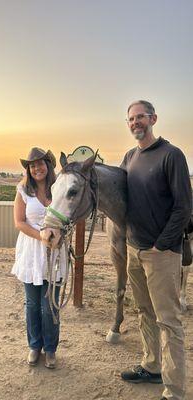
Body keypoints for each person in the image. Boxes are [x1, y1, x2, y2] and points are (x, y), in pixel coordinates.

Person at [120, 100, 192, 400]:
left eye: (141, 117)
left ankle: (174, 390)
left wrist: (161, 244)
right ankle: (151, 366)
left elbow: (184, 207)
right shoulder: (129, 157)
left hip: (160, 254)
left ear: (153, 119)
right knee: (144, 312)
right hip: (134, 249)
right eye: (131, 119)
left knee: (169, 321)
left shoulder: (171, 155)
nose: (136, 122)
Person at [11, 147, 66, 369]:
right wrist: (41, 237)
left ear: (48, 165)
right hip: (31, 253)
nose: (36, 168)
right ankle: (35, 346)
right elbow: (20, 222)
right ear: (29, 169)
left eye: (40, 164)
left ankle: (51, 349)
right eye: (32, 165)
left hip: (55, 253)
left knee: (50, 306)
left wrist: (57, 236)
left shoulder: (59, 189)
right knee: (33, 304)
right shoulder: (23, 190)